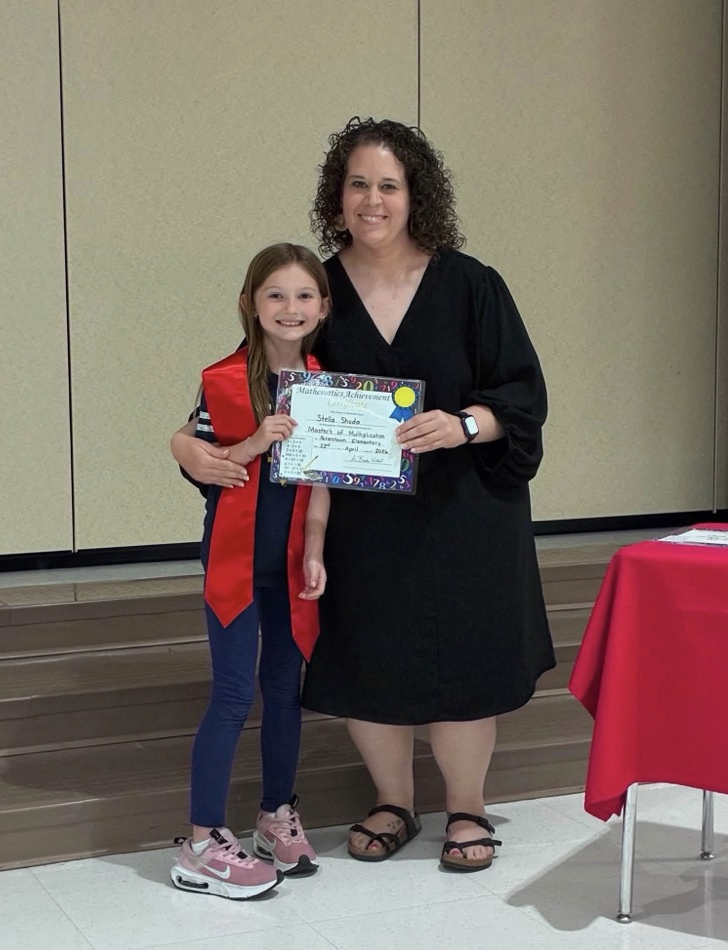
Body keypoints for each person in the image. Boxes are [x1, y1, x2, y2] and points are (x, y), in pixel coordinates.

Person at [172, 118, 555, 874]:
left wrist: (464, 423)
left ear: (416, 194)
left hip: (464, 512)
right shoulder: (319, 288)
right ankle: (393, 801)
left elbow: (521, 392)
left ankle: (467, 808)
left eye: (388, 184)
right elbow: (248, 379)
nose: (372, 199)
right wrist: (187, 443)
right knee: (369, 657)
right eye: (357, 184)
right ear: (335, 196)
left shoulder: (472, 284)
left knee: (465, 666)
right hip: (353, 520)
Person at [170, 243, 331, 900]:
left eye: (303, 296)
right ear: (249, 304)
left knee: (285, 692)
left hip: (291, 563)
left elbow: (323, 482)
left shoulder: (327, 383)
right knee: (235, 693)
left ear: (322, 306)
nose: (289, 309)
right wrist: (256, 441)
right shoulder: (222, 381)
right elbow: (212, 465)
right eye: (275, 295)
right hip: (234, 562)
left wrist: (316, 547)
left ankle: (274, 814)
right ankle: (201, 840)